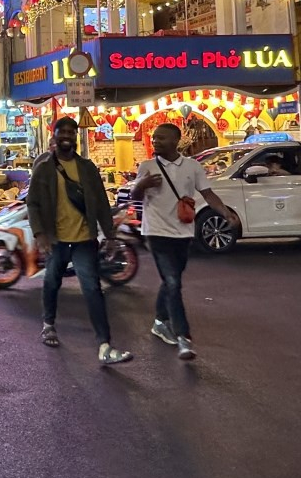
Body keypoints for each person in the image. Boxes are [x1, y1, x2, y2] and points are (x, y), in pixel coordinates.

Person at [133, 123, 241, 362]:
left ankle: (160, 322)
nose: (156, 141)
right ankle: (183, 336)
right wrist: (142, 185)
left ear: (175, 141)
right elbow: (135, 196)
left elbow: (207, 194)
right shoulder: (147, 166)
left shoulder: (193, 166)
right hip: (156, 232)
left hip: (183, 233)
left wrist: (225, 213)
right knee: (172, 282)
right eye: (154, 138)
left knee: (171, 281)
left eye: (161, 138)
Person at [28, 117, 128, 365]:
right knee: (52, 282)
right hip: (57, 240)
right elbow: (33, 203)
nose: (67, 136)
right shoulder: (44, 169)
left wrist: (110, 235)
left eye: (71, 132)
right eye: (62, 131)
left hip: (84, 239)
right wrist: (40, 234)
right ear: (54, 136)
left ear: (75, 137)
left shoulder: (87, 167)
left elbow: (101, 201)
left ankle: (104, 345)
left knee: (92, 289)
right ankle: (48, 324)